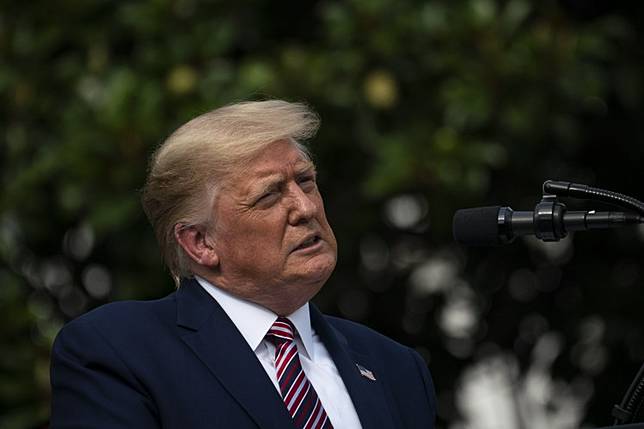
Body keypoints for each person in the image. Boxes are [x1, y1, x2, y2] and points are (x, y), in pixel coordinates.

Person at [50, 100, 436, 428]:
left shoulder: (395, 367)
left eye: (305, 181)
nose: (305, 208)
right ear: (201, 243)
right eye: (269, 196)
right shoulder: (119, 351)